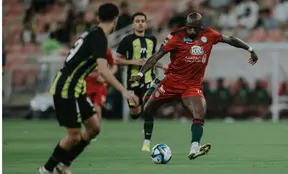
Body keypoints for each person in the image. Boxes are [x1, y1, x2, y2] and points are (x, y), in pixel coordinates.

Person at [130, 12, 258, 160]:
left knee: (200, 112)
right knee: (148, 110)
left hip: (192, 85)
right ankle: (147, 139)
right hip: (171, 83)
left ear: (201, 27)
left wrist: (250, 49)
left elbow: (230, 39)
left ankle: (194, 148)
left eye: (195, 28)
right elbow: (156, 57)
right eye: (189, 27)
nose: (191, 31)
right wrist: (140, 75)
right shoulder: (175, 36)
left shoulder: (209, 35)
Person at [38, 3, 138, 174]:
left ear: (98, 18)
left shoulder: (93, 34)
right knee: (74, 135)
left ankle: (64, 163)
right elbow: (104, 70)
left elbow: (105, 61)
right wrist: (124, 91)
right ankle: (47, 168)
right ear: (116, 21)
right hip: (66, 87)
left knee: (94, 128)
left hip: (77, 87)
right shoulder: (99, 37)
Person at [115, 12, 167, 152]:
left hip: (149, 80)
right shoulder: (126, 40)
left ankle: (146, 142)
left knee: (148, 109)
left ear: (145, 23)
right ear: (133, 24)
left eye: (142, 21)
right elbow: (117, 59)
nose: (140, 23)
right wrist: (133, 61)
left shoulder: (152, 40)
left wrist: (163, 66)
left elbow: (153, 59)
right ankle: (137, 114)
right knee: (135, 112)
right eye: (137, 21)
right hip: (133, 81)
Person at [86, 49, 117, 121]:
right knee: (86, 109)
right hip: (85, 83)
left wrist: (106, 76)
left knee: (97, 108)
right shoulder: (84, 48)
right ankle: (89, 129)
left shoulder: (106, 50)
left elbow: (114, 66)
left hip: (100, 85)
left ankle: (96, 130)